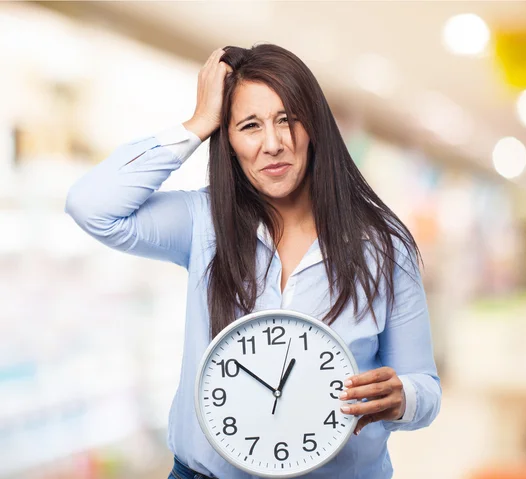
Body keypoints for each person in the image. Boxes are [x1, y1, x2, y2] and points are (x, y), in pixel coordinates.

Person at [65, 44, 441, 479]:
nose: (273, 144)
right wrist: (199, 122)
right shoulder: (203, 223)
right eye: (249, 126)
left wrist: (402, 398)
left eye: (288, 120)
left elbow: (425, 389)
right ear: (228, 141)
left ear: (315, 126)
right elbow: (91, 206)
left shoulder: (382, 245)